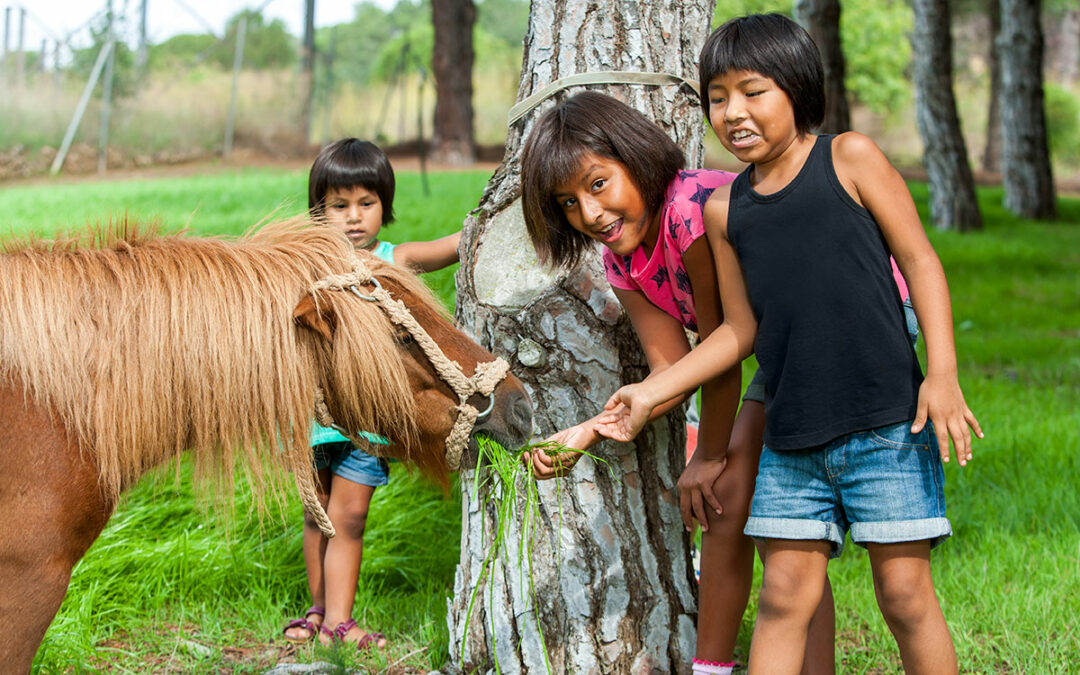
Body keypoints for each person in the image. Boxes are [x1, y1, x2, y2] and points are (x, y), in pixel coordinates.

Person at [597, 14, 983, 674]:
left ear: (797, 87)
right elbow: (739, 331)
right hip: (791, 442)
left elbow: (921, 261)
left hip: (886, 424)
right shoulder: (725, 211)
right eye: (717, 97)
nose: (733, 112)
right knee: (782, 597)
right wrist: (651, 392)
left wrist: (941, 374)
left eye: (753, 91)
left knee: (904, 595)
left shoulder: (850, 158)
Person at [518, 92, 834, 675]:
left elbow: (724, 347)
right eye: (567, 202)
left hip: (829, 330)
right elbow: (671, 371)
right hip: (774, 347)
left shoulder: (692, 209)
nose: (589, 214)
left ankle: (711, 666)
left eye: (597, 184)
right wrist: (587, 432)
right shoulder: (623, 257)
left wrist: (709, 456)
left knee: (730, 494)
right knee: (750, 516)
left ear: (635, 160)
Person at [282, 138, 460, 648]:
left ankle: (341, 619)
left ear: (385, 205)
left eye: (367, 203)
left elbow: (450, 246)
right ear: (319, 211)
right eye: (339, 206)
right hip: (309, 414)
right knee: (317, 512)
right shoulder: (304, 264)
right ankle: (316, 610)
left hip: (364, 422)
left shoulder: (390, 261)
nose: (354, 217)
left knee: (350, 517)